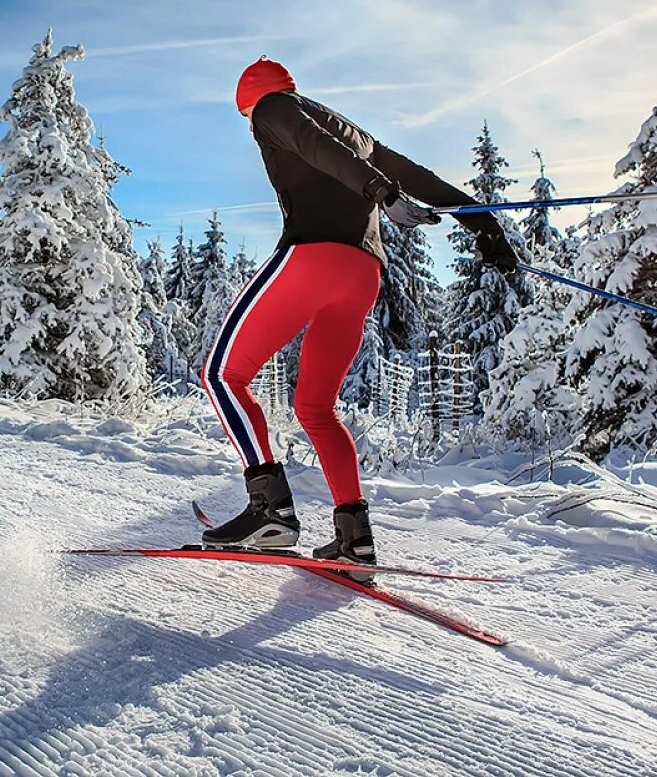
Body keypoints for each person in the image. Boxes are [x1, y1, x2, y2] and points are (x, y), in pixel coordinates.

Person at [199, 56, 517, 577]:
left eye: (246, 119)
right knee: (316, 408)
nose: (252, 128)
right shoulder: (352, 131)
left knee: (222, 375)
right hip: (362, 274)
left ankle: (268, 511)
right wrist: (481, 223)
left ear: (249, 102)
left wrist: (383, 194)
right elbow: (418, 176)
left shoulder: (274, 109)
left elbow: (314, 147)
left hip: (313, 258)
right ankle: (355, 539)